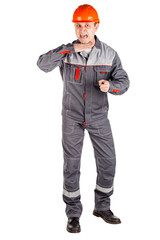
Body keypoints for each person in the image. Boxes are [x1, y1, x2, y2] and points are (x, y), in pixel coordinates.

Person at [37, 4, 129, 233]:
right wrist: (69, 48)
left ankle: (102, 207)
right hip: (72, 117)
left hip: (98, 117)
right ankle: (73, 214)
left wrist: (112, 86)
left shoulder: (109, 53)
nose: (83, 30)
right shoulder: (67, 51)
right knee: (71, 164)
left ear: (96, 26)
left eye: (87, 25)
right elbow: (42, 64)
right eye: (79, 26)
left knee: (108, 161)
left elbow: (124, 81)